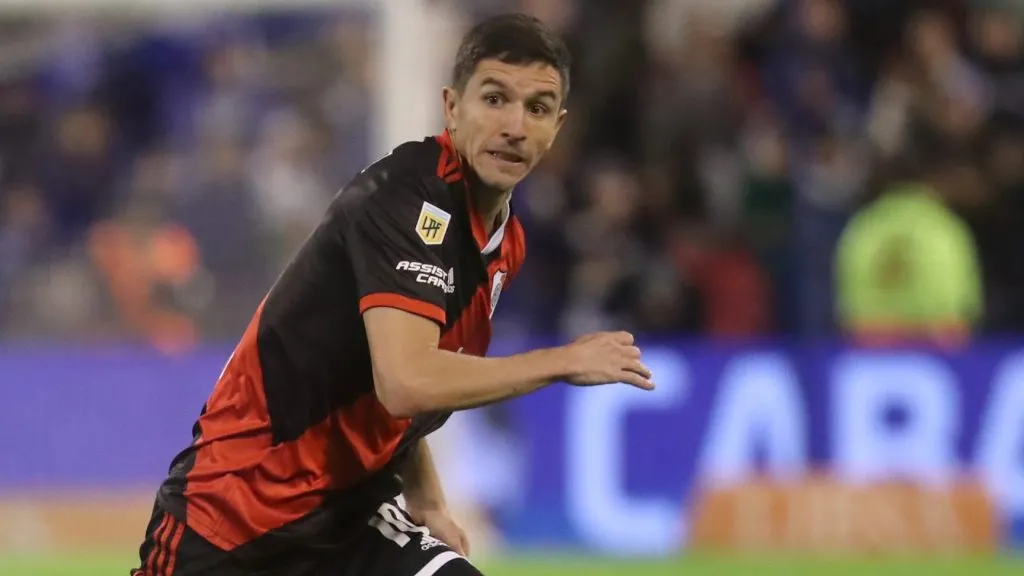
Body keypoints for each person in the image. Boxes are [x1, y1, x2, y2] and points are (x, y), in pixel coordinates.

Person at [132, 14, 654, 576]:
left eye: (537, 108)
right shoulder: (403, 200)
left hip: (348, 518)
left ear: (558, 126)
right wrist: (564, 360)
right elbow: (407, 381)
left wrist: (426, 498)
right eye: (495, 98)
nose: (516, 126)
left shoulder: (506, 242)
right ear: (452, 107)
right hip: (234, 521)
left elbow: (404, 384)